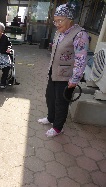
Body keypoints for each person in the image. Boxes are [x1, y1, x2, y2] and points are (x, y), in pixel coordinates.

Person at [37, 2, 89, 137]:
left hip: (67, 76)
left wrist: (75, 78)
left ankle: (58, 128)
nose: (57, 24)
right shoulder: (59, 32)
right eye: (55, 21)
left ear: (70, 19)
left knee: (61, 102)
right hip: (53, 72)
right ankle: (50, 118)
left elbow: (81, 58)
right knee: (50, 97)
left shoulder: (80, 35)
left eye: (60, 20)